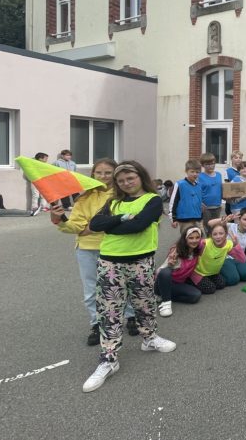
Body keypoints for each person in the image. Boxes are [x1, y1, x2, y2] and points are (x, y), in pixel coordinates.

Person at [85, 161, 175, 393]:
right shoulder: (113, 202)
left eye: (130, 178)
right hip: (110, 261)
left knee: (144, 304)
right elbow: (95, 224)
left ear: (140, 177)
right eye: (121, 180)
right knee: (110, 310)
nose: (126, 183)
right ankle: (108, 359)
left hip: (141, 260)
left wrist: (113, 225)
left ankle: (150, 338)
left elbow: (141, 225)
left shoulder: (153, 200)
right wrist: (122, 218)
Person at [52, 158, 138, 345]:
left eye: (108, 172)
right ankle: (97, 324)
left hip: (116, 246)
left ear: (115, 174)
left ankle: (131, 317)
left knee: (123, 284)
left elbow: (127, 220)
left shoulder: (123, 195)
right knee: (92, 290)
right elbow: (76, 226)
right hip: (87, 249)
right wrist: (60, 219)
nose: (103, 176)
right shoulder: (84, 198)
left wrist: (93, 227)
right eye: (99, 172)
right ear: (93, 174)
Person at [154, 227, 203, 317]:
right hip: (162, 282)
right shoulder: (176, 251)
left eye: (197, 237)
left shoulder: (197, 249)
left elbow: (209, 241)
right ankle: (166, 302)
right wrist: (170, 264)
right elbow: (162, 271)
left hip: (177, 284)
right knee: (165, 271)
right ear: (185, 239)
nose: (194, 240)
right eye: (191, 238)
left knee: (196, 296)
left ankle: (164, 295)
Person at [189, 222, 235, 294]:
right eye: (215, 234)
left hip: (212, 273)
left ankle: (206, 279)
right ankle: (189, 280)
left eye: (221, 233)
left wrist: (236, 245)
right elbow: (190, 244)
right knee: (211, 289)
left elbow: (242, 259)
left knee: (221, 284)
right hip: (199, 272)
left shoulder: (228, 244)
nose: (218, 236)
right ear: (211, 236)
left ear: (226, 234)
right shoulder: (204, 243)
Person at [215, 208, 246, 284]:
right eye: (244, 219)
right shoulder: (230, 226)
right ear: (239, 219)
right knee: (233, 279)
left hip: (239, 258)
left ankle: (233, 270)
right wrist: (226, 219)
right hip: (225, 257)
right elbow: (210, 224)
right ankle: (218, 272)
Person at [169, 159, 203, 233]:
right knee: (187, 240)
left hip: (198, 218)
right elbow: (173, 202)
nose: (195, 174)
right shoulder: (180, 184)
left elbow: (199, 202)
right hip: (185, 219)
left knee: (201, 239)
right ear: (186, 171)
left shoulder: (199, 185)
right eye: (192, 172)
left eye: (197, 172)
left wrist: (201, 215)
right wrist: (173, 218)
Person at [198, 152, 224, 233]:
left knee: (216, 227)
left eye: (213, 163)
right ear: (202, 165)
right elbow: (197, 191)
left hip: (217, 206)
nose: (211, 166)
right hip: (206, 208)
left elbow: (221, 189)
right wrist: (200, 202)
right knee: (208, 228)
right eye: (207, 164)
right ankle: (208, 244)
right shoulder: (199, 176)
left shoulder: (219, 175)